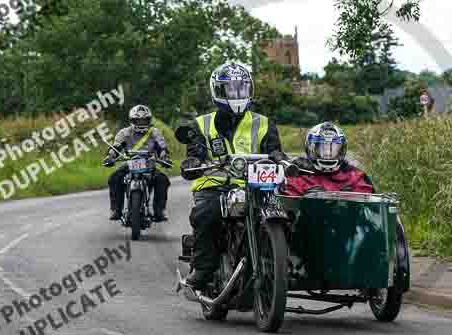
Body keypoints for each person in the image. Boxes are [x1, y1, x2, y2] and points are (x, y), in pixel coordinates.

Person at [180, 62, 284, 290]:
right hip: (214, 185)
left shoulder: (264, 123)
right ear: (218, 91)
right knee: (206, 214)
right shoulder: (201, 124)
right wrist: (194, 162)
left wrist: (280, 158)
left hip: (257, 186)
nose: (238, 94)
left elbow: (275, 150)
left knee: (288, 214)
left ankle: (282, 262)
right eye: (231, 89)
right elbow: (195, 152)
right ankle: (203, 268)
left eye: (242, 88)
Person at [103, 104, 171, 222]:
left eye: (144, 120)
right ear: (132, 120)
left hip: (149, 165)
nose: (141, 122)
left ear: (149, 120)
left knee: (163, 180)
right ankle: (116, 210)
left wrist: (164, 157)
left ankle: (159, 210)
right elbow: (115, 147)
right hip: (129, 164)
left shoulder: (155, 132)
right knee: (114, 178)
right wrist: (110, 156)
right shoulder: (124, 133)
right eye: (138, 120)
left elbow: (162, 148)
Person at [280, 122, 374, 196]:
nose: (327, 153)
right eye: (322, 148)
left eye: (333, 148)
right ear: (310, 148)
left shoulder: (356, 177)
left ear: (341, 149)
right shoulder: (298, 175)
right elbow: (289, 207)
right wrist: (308, 201)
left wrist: (349, 198)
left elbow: (370, 208)